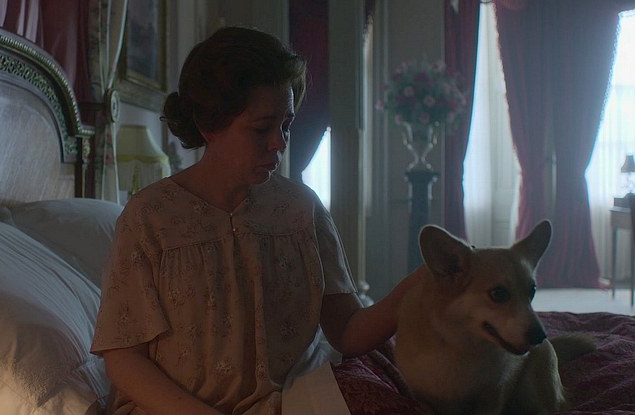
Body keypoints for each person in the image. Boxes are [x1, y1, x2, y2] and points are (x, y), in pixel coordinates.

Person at [90, 26, 423, 415]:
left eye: (286, 125)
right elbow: (124, 359)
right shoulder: (150, 217)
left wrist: (416, 287)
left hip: (291, 404)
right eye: (262, 127)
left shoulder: (302, 210)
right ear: (210, 125)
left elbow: (347, 331)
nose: (280, 142)